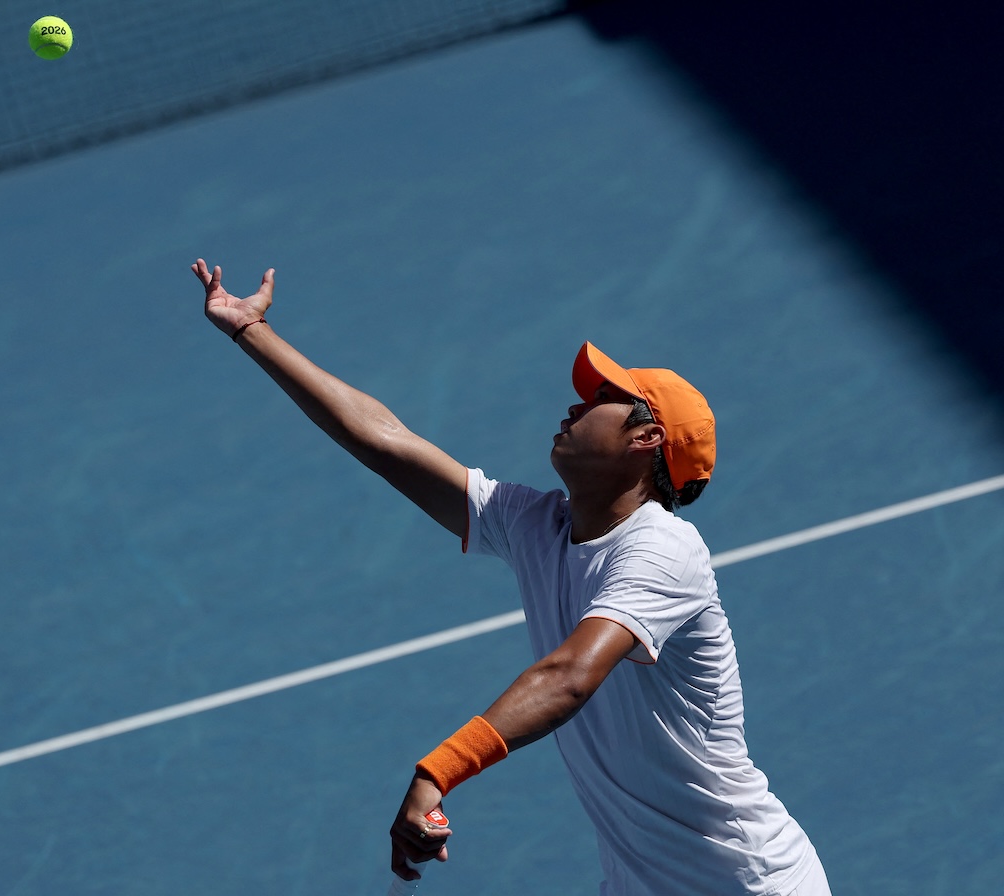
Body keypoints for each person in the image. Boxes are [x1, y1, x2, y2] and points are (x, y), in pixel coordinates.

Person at [192, 259, 831, 895]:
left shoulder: (663, 548)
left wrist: (439, 770)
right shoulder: (536, 524)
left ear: (647, 439)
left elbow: (569, 676)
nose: (577, 405)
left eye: (602, 400)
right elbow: (386, 441)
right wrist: (251, 330)